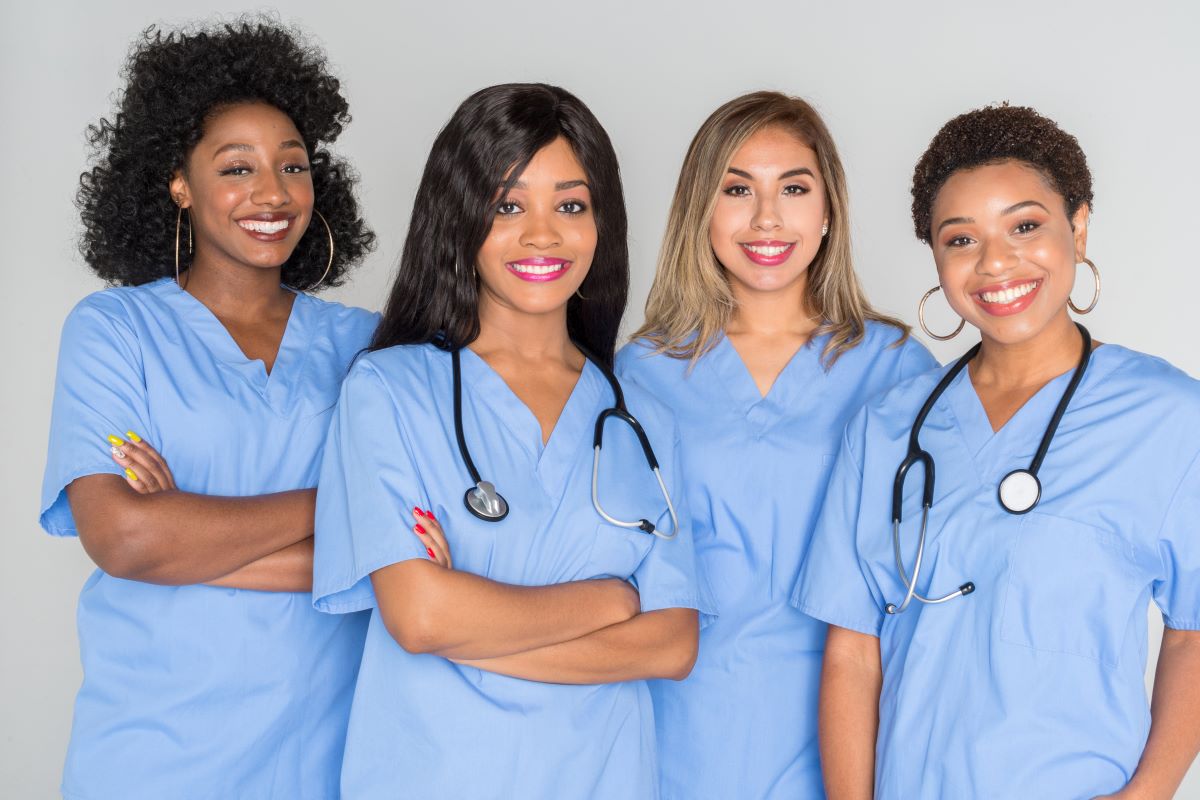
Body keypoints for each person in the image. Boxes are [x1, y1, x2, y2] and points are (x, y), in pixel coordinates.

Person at [312, 82, 712, 799]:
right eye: (507, 205)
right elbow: (420, 615)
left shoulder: (642, 418)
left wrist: (477, 621)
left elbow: (673, 643)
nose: (542, 235)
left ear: (601, 223)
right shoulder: (390, 391)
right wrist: (608, 601)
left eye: (570, 204)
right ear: (460, 217)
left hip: (604, 778)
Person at [795, 104, 1200, 798]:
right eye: (961, 240)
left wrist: (1146, 795)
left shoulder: (1168, 417)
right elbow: (852, 654)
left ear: (1077, 224)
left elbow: (1193, 637)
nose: (995, 263)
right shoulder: (891, 427)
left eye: (1025, 226)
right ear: (936, 258)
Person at [39, 20, 377, 799]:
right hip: (155, 759)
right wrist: (336, 510)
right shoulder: (115, 330)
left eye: (292, 165)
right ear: (179, 184)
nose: (273, 192)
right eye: (237, 167)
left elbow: (404, 557)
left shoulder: (364, 346)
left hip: (329, 762)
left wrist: (190, 532)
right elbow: (124, 537)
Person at [616, 91, 936, 798]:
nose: (767, 217)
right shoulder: (639, 373)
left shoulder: (899, 372)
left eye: (793, 188)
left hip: (851, 730)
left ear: (828, 212)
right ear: (701, 209)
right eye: (737, 189)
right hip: (676, 730)